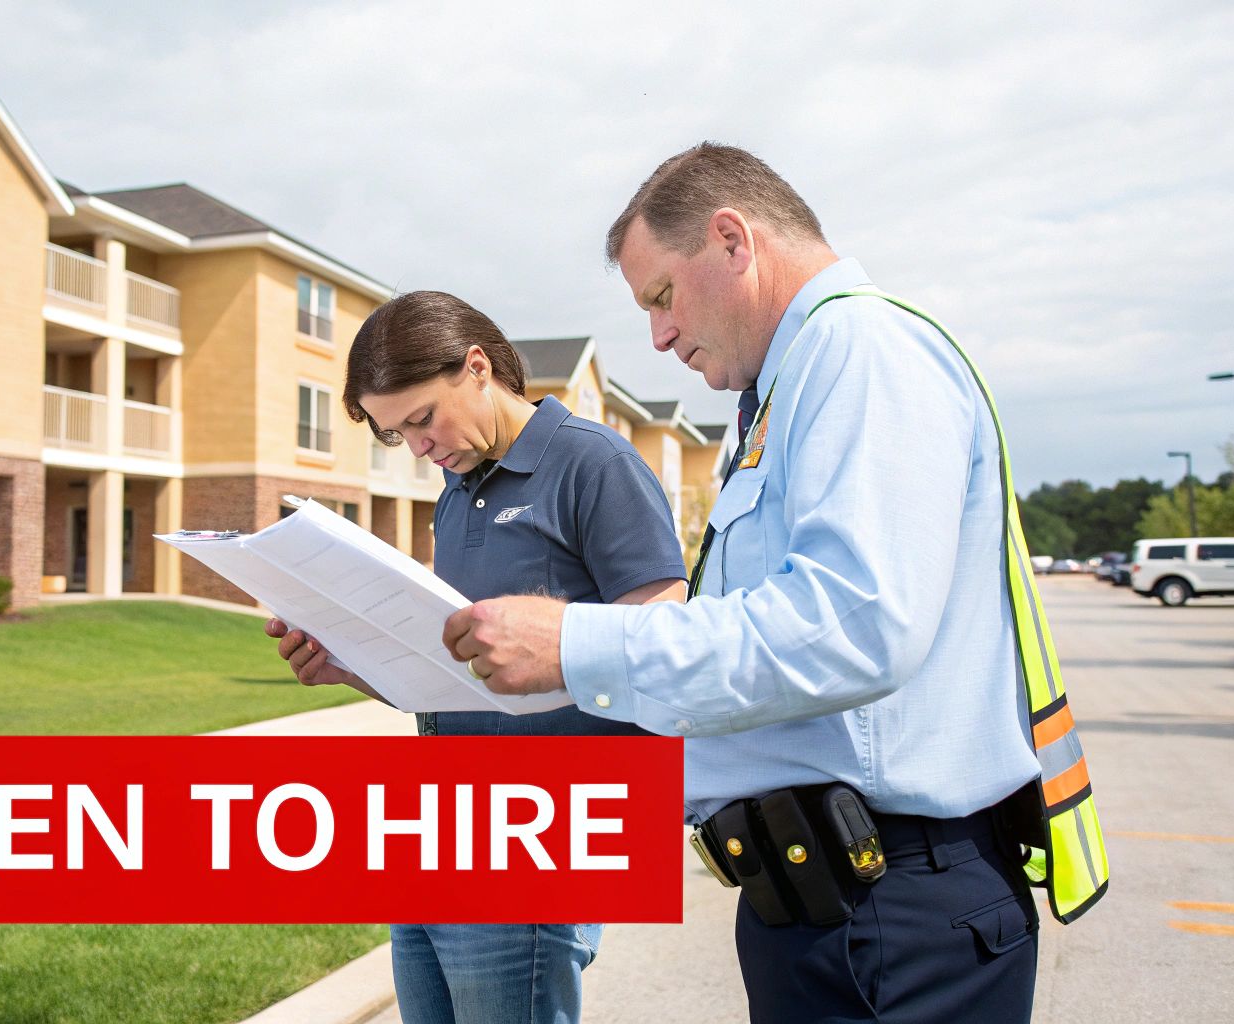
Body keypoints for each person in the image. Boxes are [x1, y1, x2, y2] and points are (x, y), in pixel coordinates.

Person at [442, 144, 1109, 1022]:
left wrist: (574, 640)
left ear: (732, 241)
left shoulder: (859, 350)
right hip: (826, 902)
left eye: (661, 297)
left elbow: (854, 625)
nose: (660, 335)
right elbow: (752, 650)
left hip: (894, 907)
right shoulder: (786, 386)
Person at [264, 289, 687, 1024]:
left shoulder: (595, 464)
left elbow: (664, 639)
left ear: (479, 367)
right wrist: (349, 663)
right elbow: (456, 678)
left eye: (422, 419)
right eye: (398, 436)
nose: (421, 447)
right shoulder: (458, 493)